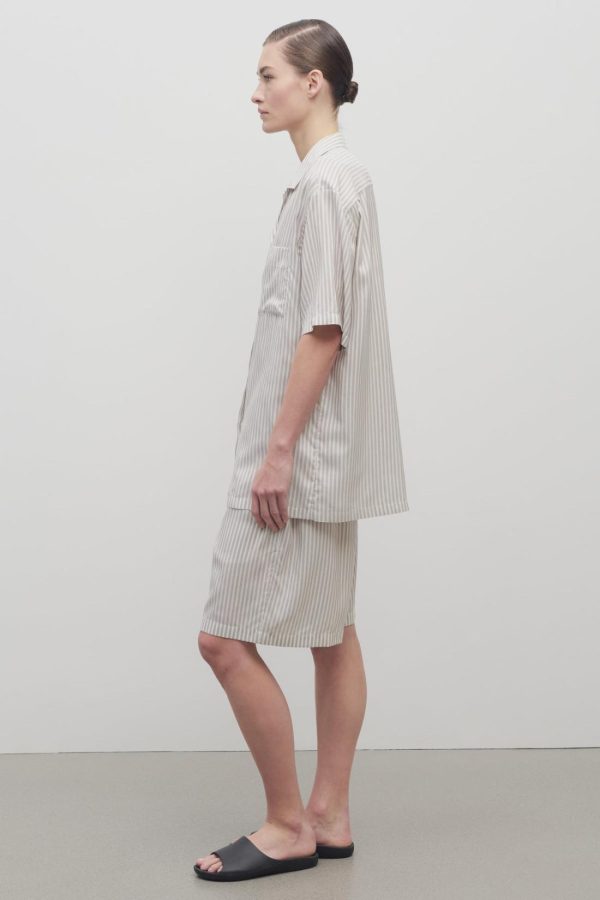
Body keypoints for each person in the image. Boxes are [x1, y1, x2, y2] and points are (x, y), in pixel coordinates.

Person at [194, 18, 409, 882]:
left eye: (268, 75)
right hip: (330, 454)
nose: (255, 92)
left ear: (313, 82)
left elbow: (324, 330)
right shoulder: (342, 178)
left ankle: (288, 825)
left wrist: (276, 451)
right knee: (332, 632)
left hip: (302, 459)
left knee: (221, 640)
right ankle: (330, 814)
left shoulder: (325, 185)